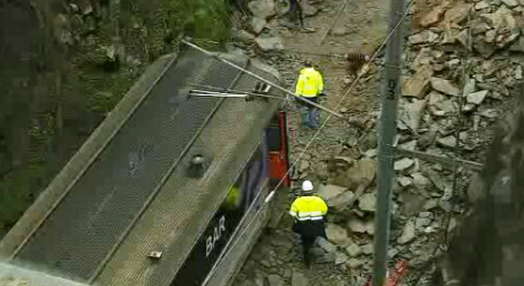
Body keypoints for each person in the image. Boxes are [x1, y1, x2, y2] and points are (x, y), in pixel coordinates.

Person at [289, 180, 328, 267]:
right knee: (312, 238)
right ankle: (311, 244)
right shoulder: (319, 200)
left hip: (304, 227)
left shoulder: (298, 202)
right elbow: (324, 211)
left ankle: (306, 258)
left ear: (303, 190)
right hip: (316, 227)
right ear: (312, 190)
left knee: (305, 241)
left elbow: (292, 214)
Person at [295, 60, 325, 129]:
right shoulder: (317, 74)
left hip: (304, 96)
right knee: (313, 109)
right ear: (312, 65)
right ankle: (313, 124)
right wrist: (319, 92)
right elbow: (320, 84)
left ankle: (306, 124)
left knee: (304, 109)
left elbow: (300, 85)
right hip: (314, 95)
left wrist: (297, 94)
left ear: (304, 65)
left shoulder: (303, 75)